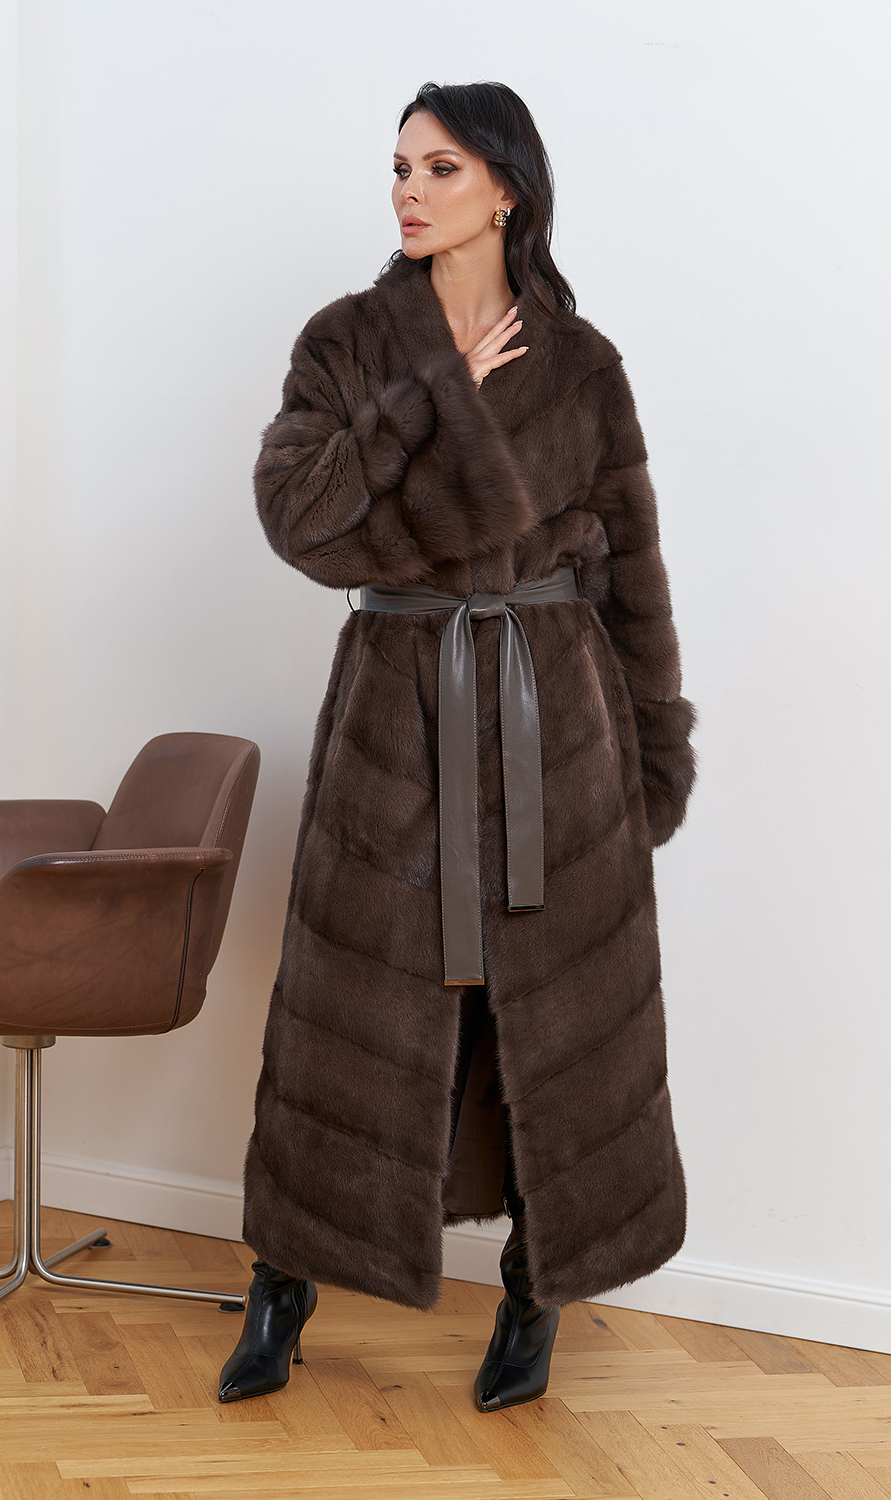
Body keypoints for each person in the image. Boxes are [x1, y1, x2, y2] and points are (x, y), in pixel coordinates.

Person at [220, 80, 697, 1413]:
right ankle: (283, 1281)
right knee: (354, 1016)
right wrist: (430, 397)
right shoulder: (348, 341)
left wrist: (654, 747)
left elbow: (633, 574)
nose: (409, 191)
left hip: (558, 718)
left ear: (507, 188)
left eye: (439, 167)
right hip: (398, 706)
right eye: (398, 167)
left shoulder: (584, 364)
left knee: (547, 1017)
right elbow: (306, 524)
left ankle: (540, 1285)